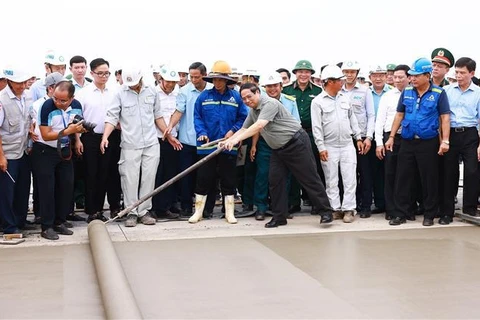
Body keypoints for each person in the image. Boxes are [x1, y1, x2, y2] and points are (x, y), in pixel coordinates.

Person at [221, 83, 333, 228]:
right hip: (278, 149)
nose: (247, 101)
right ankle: (280, 216)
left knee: (309, 178)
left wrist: (236, 140)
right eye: (244, 99)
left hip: (296, 143)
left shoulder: (270, 103)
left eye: (249, 96)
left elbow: (259, 125)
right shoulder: (253, 111)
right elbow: (244, 128)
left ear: (257, 93)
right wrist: (228, 140)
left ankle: (326, 212)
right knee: (275, 181)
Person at [385, 58, 450, 227]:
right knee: (403, 178)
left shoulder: (438, 93)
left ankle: (429, 214)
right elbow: (399, 115)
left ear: (427, 76)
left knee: (429, 179)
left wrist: (445, 141)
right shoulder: (406, 92)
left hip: (428, 142)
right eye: (411, 76)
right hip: (407, 141)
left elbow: (445, 118)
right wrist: (391, 136)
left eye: (416, 76)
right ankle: (401, 213)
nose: (412, 79)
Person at [186, 60, 248, 224]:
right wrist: (202, 133)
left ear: (227, 80)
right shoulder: (203, 97)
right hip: (207, 146)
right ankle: (198, 212)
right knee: (204, 178)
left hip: (228, 146)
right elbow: (197, 117)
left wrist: (233, 131)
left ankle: (229, 213)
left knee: (229, 179)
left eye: (221, 79)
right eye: (215, 79)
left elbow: (243, 118)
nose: (218, 82)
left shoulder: (236, 98)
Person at [101, 68, 161, 228]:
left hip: (151, 143)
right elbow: (112, 116)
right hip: (130, 143)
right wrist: (105, 136)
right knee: (130, 179)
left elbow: (158, 115)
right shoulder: (120, 93)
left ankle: (144, 211)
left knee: (149, 177)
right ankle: (132, 212)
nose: (133, 86)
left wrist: (169, 135)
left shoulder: (152, 92)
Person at [312, 65, 363, 223]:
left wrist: (358, 138)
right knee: (331, 179)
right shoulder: (317, 102)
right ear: (329, 82)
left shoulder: (344, 98)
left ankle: (349, 209)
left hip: (347, 144)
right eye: (338, 80)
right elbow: (316, 127)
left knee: (350, 178)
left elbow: (352, 119)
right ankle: (334, 208)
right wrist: (321, 147)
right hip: (329, 145)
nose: (342, 82)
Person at [35, 81, 86, 240]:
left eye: (63, 100)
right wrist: (68, 131)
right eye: (55, 98)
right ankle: (46, 226)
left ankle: (59, 221)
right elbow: (45, 134)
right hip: (45, 150)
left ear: (72, 98)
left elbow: (77, 125)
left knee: (66, 185)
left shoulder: (77, 105)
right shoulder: (46, 106)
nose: (58, 102)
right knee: (47, 189)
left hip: (64, 150)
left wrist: (77, 139)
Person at [75, 58, 122, 222]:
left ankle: (115, 207)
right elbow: (76, 118)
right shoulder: (83, 93)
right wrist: (77, 140)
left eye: (107, 73)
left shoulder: (116, 91)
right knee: (92, 173)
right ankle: (94, 210)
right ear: (92, 73)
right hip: (91, 137)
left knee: (112, 172)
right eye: (100, 73)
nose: (104, 76)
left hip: (113, 136)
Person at [165, 62, 213, 217]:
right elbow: (179, 111)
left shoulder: (212, 90)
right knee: (186, 176)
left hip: (208, 141)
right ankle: (186, 207)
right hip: (187, 140)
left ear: (204, 75)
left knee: (206, 176)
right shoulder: (184, 91)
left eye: (197, 77)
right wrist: (170, 126)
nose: (193, 79)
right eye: (191, 76)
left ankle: (206, 208)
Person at [250, 72, 300, 220]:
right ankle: (261, 207)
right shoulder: (259, 103)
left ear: (281, 86)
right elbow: (255, 126)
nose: (272, 89)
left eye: (275, 86)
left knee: (285, 177)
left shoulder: (290, 101)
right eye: (269, 86)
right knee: (263, 175)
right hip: (266, 143)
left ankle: (281, 208)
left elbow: (296, 123)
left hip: (286, 144)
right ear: (264, 88)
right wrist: (254, 145)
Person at [282, 59, 323, 215]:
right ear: (295, 73)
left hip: (311, 133)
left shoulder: (319, 91)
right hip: (290, 133)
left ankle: (315, 202)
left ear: (311, 74)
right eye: (300, 71)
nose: (303, 74)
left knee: (313, 168)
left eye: (307, 72)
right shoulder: (286, 90)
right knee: (292, 169)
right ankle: (293, 203)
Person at [442, 57, 480, 222]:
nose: (458, 75)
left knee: (472, 171)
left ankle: (470, 209)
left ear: (472, 73)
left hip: (470, 134)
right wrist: (444, 139)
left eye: (462, 73)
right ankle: (447, 211)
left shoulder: (478, 93)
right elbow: (442, 116)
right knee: (449, 172)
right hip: (451, 133)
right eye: (456, 72)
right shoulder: (447, 90)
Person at [374, 64, 410, 221]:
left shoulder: (413, 94)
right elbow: (379, 120)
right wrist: (378, 143)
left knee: (407, 174)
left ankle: (406, 208)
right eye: (395, 77)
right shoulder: (387, 96)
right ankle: (391, 209)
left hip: (408, 138)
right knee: (390, 173)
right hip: (390, 137)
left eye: (401, 77)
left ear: (409, 78)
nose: (397, 80)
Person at [0, 67, 33, 234]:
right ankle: (8, 226)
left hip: (23, 151)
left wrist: (31, 130)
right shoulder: (2, 100)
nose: (22, 86)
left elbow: (28, 119)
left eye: (24, 82)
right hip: (8, 153)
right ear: (9, 81)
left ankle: (20, 221)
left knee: (23, 188)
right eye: (18, 83)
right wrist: (1, 157)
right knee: (6, 192)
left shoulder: (28, 96)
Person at [151, 65, 183, 220]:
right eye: (168, 82)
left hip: (174, 139)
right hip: (157, 138)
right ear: (160, 79)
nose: (170, 85)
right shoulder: (152, 93)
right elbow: (156, 117)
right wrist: (168, 135)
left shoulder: (177, 94)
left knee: (170, 173)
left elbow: (177, 113)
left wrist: (171, 135)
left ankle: (165, 207)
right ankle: (152, 207)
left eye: (173, 82)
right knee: (155, 174)